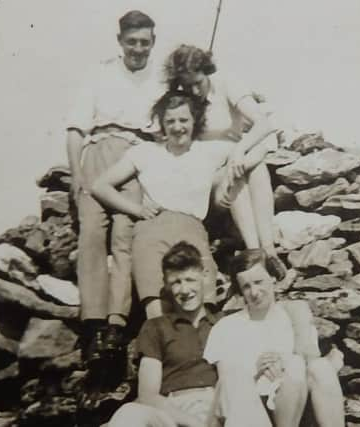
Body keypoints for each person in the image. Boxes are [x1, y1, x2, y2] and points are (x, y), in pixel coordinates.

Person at [91, 91, 270, 320]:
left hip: (192, 227)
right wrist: (136, 210)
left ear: (194, 121)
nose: (177, 127)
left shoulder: (209, 151)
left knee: (203, 303)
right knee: (155, 304)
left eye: (183, 120)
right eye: (170, 121)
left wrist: (234, 161)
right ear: (162, 124)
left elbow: (262, 146)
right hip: (152, 228)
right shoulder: (145, 152)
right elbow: (100, 186)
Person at [64, 9, 163, 406]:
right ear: (120, 41)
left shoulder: (161, 77)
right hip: (100, 149)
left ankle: (116, 326)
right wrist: (75, 174)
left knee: (125, 234)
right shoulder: (98, 74)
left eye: (145, 42)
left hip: (138, 154)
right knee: (91, 231)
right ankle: (92, 325)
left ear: (152, 43)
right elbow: (75, 129)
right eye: (132, 42)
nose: (138, 49)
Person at [163, 45, 286, 280]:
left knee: (254, 167)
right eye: (187, 84)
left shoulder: (226, 84)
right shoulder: (181, 99)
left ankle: (267, 249)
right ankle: (254, 250)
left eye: (198, 82)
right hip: (206, 173)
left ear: (207, 71)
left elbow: (263, 124)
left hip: (233, 161)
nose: (194, 90)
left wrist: (239, 151)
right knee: (237, 173)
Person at [204, 249, 346, 427]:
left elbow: (311, 361)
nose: (254, 292)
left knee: (315, 367)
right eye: (246, 286)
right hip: (251, 409)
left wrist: (283, 365)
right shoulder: (226, 326)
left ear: (272, 278)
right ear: (240, 291)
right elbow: (227, 385)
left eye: (258, 282)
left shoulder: (294, 315)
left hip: (293, 400)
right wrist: (256, 370)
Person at [107, 241, 226, 427]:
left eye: (190, 280)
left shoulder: (221, 324)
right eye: (176, 282)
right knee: (128, 413)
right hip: (172, 411)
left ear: (204, 276)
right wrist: (194, 424)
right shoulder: (156, 327)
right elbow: (148, 395)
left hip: (216, 408)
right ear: (166, 285)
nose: (184, 290)